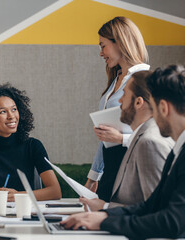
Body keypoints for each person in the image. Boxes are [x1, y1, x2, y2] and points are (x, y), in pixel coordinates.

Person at [60, 65, 185, 239]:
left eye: (154, 108)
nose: (153, 118)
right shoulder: (178, 150)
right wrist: (103, 215)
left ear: (163, 107)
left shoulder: (159, 144)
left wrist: (103, 221)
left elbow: (172, 222)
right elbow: (151, 206)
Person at [80, 71, 173, 211]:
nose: (119, 101)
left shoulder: (149, 142)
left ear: (138, 102)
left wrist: (105, 208)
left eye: (124, 94)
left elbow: (157, 211)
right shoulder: (141, 137)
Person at [85, 16, 150, 202]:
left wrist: (121, 138)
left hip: (131, 167)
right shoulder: (116, 79)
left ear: (120, 43)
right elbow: (105, 136)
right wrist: (93, 177)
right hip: (111, 168)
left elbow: (156, 133)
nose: (101, 53)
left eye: (103, 45)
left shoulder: (143, 78)